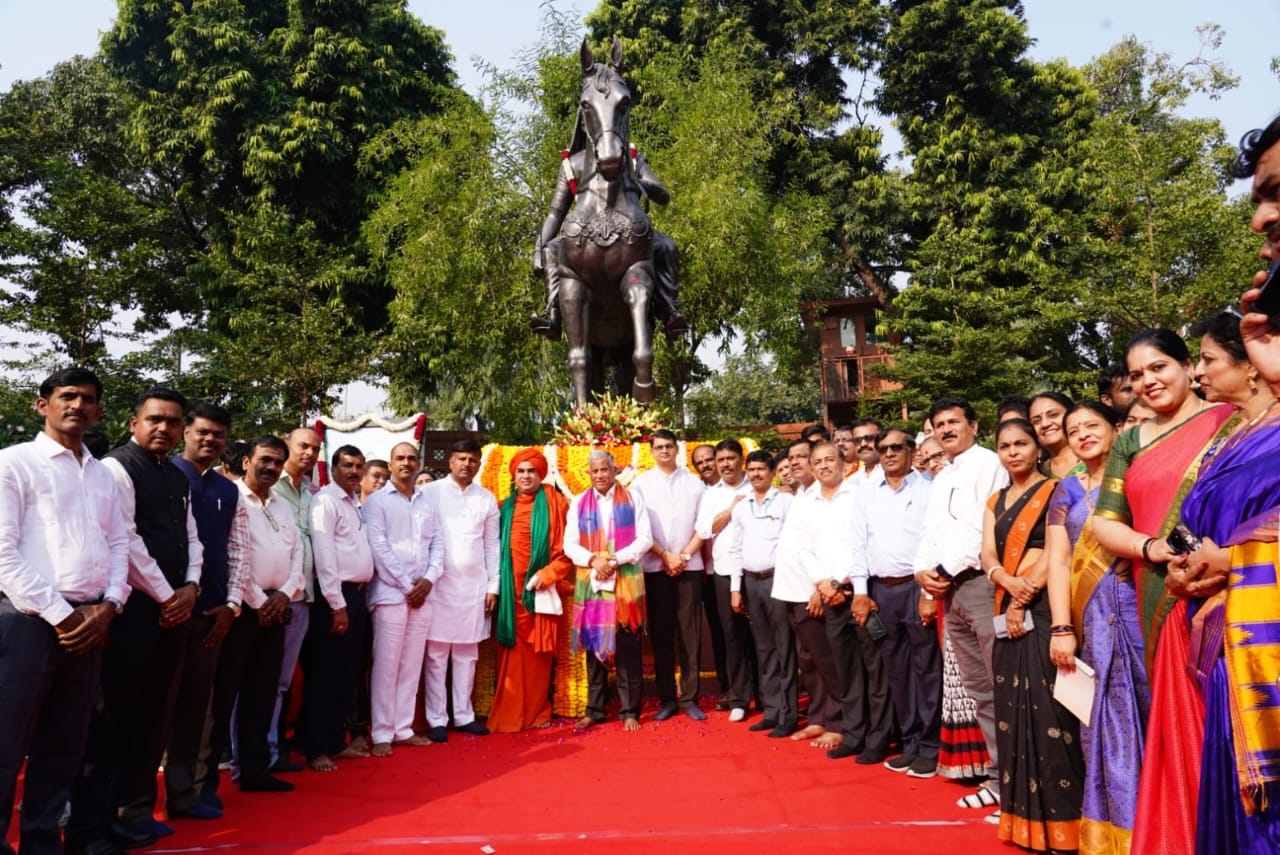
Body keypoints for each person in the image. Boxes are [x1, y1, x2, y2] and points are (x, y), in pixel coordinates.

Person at [1091, 328, 1235, 855]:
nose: (1148, 381)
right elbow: (1105, 523)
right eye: (1136, 375)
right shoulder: (1131, 440)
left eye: (1159, 367)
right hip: (1157, 591)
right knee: (1173, 724)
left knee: (1221, 718)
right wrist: (1151, 548)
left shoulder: (1231, 420)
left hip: (1228, 587)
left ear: (1185, 366)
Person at [0, 368, 128, 855]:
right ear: (42, 405)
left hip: (90, 625)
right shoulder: (14, 463)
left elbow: (119, 542)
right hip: (27, 622)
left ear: (98, 411)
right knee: (6, 745)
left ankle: (41, 841)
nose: (77, 405)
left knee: (63, 747)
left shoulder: (101, 474)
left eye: (88, 399)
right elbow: (3, 553)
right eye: (66, 396)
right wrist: (63, 615)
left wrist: (111, 605)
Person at [68, 388, 201, 853]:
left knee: (151, 717)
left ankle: (132, 814)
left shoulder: (178, 475)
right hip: (133, 611)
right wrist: (169, 595)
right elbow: (126, 540)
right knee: (112, 721)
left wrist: (192, 586)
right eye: (155, 420)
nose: (164, 428)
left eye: (173, 421)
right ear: (133, 423)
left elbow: (191, 537)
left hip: (172, 610)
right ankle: (92, 826)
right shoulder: (116, 469)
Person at [1173, 313, 1280, 853]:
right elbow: (1194, 524)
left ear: (1253, 366)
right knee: (1227, 764)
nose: (1200, 373)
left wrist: (1233, 558)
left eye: (1209, 359)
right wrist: (1186, 563)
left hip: (1263, 638)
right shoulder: (1228, 436)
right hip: (1219, 626)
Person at [1045, 401, 1146, 855]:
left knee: (1151, 708)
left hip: (1142, 610)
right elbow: (1059, 561)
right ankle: (1115, 834)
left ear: (1117, 429)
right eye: (1073, 430)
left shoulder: (1140, 477)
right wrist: (1061, 627)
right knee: (1104, 724)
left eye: (1092, 425)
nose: (1082, 434)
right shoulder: (1065, 492)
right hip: (1092, 621)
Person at [981, 419, 1082, 849]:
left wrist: (1023, 598)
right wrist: (1003, 579)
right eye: (1005, 445)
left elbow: (1059, 551)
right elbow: (987, 550)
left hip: (1044, 607)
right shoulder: (995, 499)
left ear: (1037, 448)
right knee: (1012, 712)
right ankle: (1022, 821)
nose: (1013, 451)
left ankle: (1066, 825)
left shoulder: (1058, 490)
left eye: (1021, 443)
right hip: (1005, 604)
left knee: (1050, 715)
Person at [914, 398, 1009, 810]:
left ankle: (1015, 785)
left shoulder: (987, 463)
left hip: (980, 585)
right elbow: (930, 531)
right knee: (979, 691)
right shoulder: (943, 476)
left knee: (1001, 686)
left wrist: (942, 571)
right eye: (939, 425)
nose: (947, 429)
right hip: (949, 592)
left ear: (973, 424)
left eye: (954, 422)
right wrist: (923, 573)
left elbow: (981, 526)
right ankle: (996, 777)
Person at [161, 404, 248, 823]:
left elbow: (236, 549)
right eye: (202, 432)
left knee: (200, 710)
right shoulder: (163, 476)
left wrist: (231, 604)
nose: (210, 440)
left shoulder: (227, 489)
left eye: (218, 435)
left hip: (211, 613)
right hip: (162, 611)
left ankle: (189, 793)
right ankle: (134, 804)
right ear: (185, 433)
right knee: (156, 710)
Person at [209, 437, 304, 795]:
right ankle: (209, 777)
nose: (271, 467)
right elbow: (236, 557)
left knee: (263, 694)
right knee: (225, 695)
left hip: (277, 608)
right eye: (265, 459)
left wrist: (283, 594)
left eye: (278, 462)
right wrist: (258, 601)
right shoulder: (232, 498)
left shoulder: (281, 505)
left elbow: (297, 555)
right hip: (241, 611)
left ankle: (254, 770)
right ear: (246, 461)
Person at [851, 429, 939, 778]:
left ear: (911, 450)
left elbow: (933, 541)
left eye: (895, 448)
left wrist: (929, 595)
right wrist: (861, 591)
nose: (887, 453)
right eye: (882, 448)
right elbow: (857, 542)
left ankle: (931, 747)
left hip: (917, 589)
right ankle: (911, 743)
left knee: (927, 670)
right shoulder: (867, 493)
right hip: (881, 591)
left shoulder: (928, 489)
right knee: (898, 672)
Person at [364, 442, 441, 756]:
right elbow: (378, 546)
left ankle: (403, 727)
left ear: (418, 461)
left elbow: (439, 544)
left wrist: (428, 580)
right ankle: (381, 731)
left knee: (411, 664)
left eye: (411, 458)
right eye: (400, 458)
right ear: (391, 464)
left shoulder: (427, 501)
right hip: (390, 594)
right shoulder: (377, 501)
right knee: (386, 664)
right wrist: (407, 584)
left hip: (422, 595)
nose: (407, 463)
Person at [567, 450, 653, 731]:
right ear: (588, 473)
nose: (600, 475)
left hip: (625, 580)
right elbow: (570, 545)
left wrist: (615, 560)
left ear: (614, 470)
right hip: (592, 580)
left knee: (628, 645)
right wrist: (595, 560)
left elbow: (645, 539)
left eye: (605, 469)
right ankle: (595, 709)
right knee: (594, 645)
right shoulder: (579, 502)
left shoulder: (632, 498)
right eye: (595, 471)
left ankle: (630, 710)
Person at [302, 444, 375, 771]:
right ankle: (316, 748)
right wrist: (337, 605)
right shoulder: (326, 502)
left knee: (347, 674)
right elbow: (325, 557)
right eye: (347, 465)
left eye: (359, 466)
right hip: (336, 597)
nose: (354, 471)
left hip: (357, 596)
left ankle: (335, 741)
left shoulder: (354, 503)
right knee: (326, 674)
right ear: (333, 469)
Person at [489, 449, 573, 733]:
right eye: (521, 471)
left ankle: (537, 713)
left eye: (532, 471)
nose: (526, 476)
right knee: (510, 655)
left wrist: (547, 574)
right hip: (509, 598)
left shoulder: (555, 504)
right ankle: (509, 713)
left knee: (538, 657)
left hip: (540, 593)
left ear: (541, 475)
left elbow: (566, 552)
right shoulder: (503, 508)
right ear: (513, 475)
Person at [422, 439, 499, 740]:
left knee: (468, 654)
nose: (467, 464)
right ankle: (436, 719)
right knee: (437, 654)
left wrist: (493, 586)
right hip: (438, 586)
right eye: (461, 458)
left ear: (478, 464)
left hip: (473, 587)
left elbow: (492, 545)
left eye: (472, 460)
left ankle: (464, 715)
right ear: (450, 461)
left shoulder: (487, 498)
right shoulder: (430, 493)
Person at [773, 440, 845, 747]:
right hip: (789, 590)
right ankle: (817, 717)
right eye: (792, 458)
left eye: (803, 457)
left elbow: (827, 548)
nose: (796, 463)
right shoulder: (802, 495)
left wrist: (817, 589)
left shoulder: (830, 496)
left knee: (827, 660)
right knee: (809, 661)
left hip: (813, 591)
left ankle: (838, 721)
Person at [632, 429, 707, 721]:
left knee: (690, 634)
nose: (664, 451)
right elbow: (641, 530)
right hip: (655, 568)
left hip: (690, 566)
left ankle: (690, 698)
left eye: (669, 446)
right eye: (659, 447)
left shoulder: (694, 483)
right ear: (651, 451)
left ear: (678, 450)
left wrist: (684, 556)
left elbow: (703, 525)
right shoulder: (640, 485)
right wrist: (665, 556)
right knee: (662, 636)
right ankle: (666, 698)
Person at [724, 450, 797, 736]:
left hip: (778, 581)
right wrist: (735, 588)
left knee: (784, 647)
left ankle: (788, 715)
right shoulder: (741, 507)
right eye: (751, 469)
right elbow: (736, 548)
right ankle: (772, 709)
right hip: (751, 583)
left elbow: (793, 544)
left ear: (772, 472)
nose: (755, 474)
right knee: (764, 648)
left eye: (760, 470)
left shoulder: (786, 502)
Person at [264, 427, 320, 773]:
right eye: (303, 446)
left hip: (304, 596)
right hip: (272, 597)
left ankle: (274, 747)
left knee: (283, 681)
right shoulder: (270, 486)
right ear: (287, 445)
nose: (309, 453)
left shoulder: (313, 493)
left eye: (315, 448)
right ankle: (259, 751)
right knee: (264, 680)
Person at [693, 440, 754, 721]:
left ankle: (768, 695)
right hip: (723, 572)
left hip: (755, 570)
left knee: (762, 637)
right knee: (731, 636)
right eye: (721, 460)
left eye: (731, 458)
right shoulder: (712, 495)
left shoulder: (755, 483)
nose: (726, 464)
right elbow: (705, 529)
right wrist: (730, 510)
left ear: (741, 459)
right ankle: (738, 697)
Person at [690, 442, 730, 704]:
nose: (705, 465)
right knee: (718, 632)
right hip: (706, 573)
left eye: (708, 459)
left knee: (736, 632)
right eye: (699, 462)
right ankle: (727, 687)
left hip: (731, 570)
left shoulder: (734, 488)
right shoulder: (698, 491)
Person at [1029, 392, 1079, 478]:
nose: (1045, 424)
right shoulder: (1037, 474)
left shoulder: (1097, 460)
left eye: (1053, 415)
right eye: (1036, 421)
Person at [847, 419, 883, 484]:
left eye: (869, 438)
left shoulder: (895, 475)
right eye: (857, 440)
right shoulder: (852, 481)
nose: (863, 444)